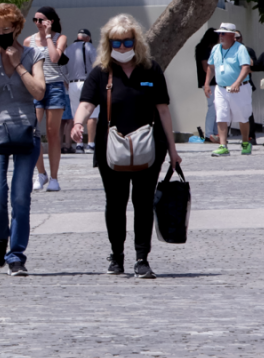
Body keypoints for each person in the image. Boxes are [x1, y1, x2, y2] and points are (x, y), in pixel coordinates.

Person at [73, 14, 182, 279]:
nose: (122, 47)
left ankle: (142, 258)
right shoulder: (100, 72)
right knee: (116, 202)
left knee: (143, 203)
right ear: (108, 44)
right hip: (111, 148)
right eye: (116, 42)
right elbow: (87, 103)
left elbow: (164, 111)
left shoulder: (151, 70)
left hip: (149, 147)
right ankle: (117, 256)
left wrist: (173, 149)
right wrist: (78, 123)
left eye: (127, 41)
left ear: (137, 41)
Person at [0, 3, 46, 276]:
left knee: (20, 197)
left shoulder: (33, 53)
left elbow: (39, 92)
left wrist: (17, 65)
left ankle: (16, 255)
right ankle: (0, 236)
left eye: (6, 29)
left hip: (26, 131)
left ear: (17, 28)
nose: (2, 34)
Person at [26, 6, 70, 191]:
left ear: (50, 21)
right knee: (32, 132)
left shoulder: (60, 38)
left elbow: (54, 58)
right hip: (36, 88)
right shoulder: (28, 41)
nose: (38, 23)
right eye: (35, 20)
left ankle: (54, 177)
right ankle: (41, 173)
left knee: (52, 134)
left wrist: (49, 35)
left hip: (55, 87)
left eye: (41, 20)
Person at [205, 22, 252, 156]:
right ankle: (223, 145)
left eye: (223, 33)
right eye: (219, 33)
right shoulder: (215, 49)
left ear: (232, 35)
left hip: (239, 88)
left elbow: (245, 67)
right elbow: (211, 67)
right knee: (221, 115)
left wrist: (237, 82)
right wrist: (207, 83)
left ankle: (245, 142)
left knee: (242, 117)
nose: (220, 36)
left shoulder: (240, 49)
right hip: (220, 88)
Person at [64, 29, 98, 151]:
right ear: (88, 38)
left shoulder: (68, 49)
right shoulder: (89, 46)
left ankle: (78, 144)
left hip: (72, 84)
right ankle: (90, 144)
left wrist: (67, 84)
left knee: (76, 114)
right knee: (92, 114)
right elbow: (96, 66)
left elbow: (63, 71)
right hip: (88, 83)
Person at [193, 28, 220, 140]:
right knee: (213, 107)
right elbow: (206, 67)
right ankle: (209, 133)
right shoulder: (204, 49)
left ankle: (214, 132)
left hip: (210, 82)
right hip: (210, 82)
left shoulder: (202, 48)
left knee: (215, 107)